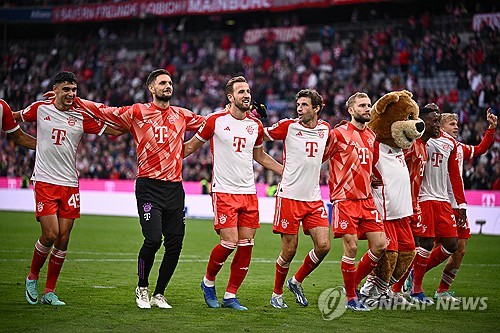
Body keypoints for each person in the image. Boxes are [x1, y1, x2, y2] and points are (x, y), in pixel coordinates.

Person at [74, 69, 205, 309]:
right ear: (151, 88)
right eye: (162, 83)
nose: (168, 86)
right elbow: (105, 111)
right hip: (149, 187)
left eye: (170, 82)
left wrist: (236, 112)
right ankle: (142, 287)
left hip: (175, 188)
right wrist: (78, 101)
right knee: (153, 239)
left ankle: (159, 294)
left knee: (175, 244)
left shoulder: (182, 115)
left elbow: (211, 123)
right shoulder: (137, 112)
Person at [13, 71, 121, 306]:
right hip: (44, 181)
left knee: (63, 239)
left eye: (74, 90)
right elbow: (13, 118)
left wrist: (133, 124)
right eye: (66, 89)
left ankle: (50, 292)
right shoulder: (40, 109)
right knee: (50, 234)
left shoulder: (81, 116)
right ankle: (32, 276)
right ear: (55, 90)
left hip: (70, 184)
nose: (71, 94)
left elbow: (114, 129)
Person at [183, 76, 283, 310]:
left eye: (248, 91)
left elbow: (260, 157)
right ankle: (208, 283)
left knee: (246, 244)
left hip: (248, 192)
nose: (247, 95)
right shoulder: (215, 121)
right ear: (230, 97)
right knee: (229, 242)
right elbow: (189, 147)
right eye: (241, 92)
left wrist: (284, 171)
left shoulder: (255, 126)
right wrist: (165, 155)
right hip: (224, 192)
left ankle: (230, 295)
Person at [265, 89, 331, 309]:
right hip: (289, 197)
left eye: (304, 105)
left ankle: (296, 280)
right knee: (289, 251)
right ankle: (276, 293)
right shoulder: (288, 126)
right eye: (298, 105)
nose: (300, 109)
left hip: (313, 198)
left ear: (316, 108)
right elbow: (259, 134)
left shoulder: (325, 129)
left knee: (323, 246)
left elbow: (329, 151)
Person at [323, 92, 387, 311]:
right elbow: (321, 158)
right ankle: (351, 299)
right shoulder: (338, 134)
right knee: (350, 248)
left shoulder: (371, 136)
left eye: (368, 105)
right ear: (351, 110)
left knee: (380, 245)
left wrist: (376, 178)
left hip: (367, 200)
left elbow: (370, 164)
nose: (366, 108)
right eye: (361, 105)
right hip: (345, 200)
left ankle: (351, 286)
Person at [406, 104, 468, 304]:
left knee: (452, 244)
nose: (454, 127)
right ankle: (413, 289)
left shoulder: (450, 144)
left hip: (443, 200)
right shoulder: (420, 141)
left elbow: (455, 175)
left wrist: (461, 204)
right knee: (422, 243)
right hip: (423, 198)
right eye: (450, 123)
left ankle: (413, 276)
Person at [433, 109, 497, 301]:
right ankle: (409, 279)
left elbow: (479, 149)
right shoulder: (433, 144)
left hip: (457, 205)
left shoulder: (459, 147)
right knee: (432, 246)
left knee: (459, 249)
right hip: (439, 202)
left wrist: (491, 129)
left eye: (457, 124)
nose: (456, 127)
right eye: (451, 124)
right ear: (441, 126)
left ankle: (442, 291)